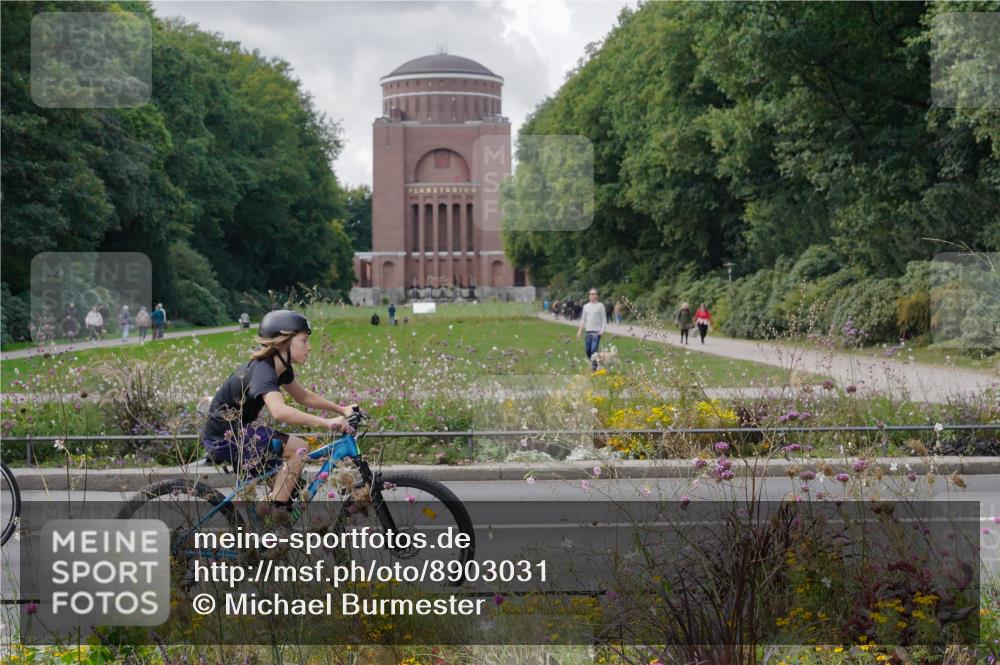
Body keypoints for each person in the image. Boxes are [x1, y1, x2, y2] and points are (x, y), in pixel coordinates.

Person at [200, 310, 355, 507]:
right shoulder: (264, 370)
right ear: (283, 342)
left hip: (239, 432)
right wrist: (326, 422)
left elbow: (303, 396)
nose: (310, 347)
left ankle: (268, 523)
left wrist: (341, 409)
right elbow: (279, 411)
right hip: (226, 438)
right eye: (304, 340)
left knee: (291, 488)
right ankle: (276, 520)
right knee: (299, 449)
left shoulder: (279, 367)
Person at [577, 288, 606, 372]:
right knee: (588, 351)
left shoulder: (600, 306)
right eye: (590, 294)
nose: (591, 295)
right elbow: (583, 320)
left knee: (594, 350)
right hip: (588, 331)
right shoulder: (585, 306)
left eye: (593, 294)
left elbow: (604, 320)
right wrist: (579, 331)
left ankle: (594, 368)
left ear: (597, 295)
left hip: (597, 332)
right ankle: (595, 363)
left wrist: (602, 330)